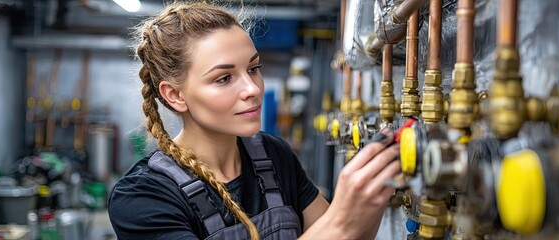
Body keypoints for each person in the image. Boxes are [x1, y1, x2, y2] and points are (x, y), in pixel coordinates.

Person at [107, 2, 401, 239]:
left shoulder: (274, 155)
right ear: (175, 96)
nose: (253, 89)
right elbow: (337, 231)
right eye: (224, 78)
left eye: (254, 68)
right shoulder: (143, 198)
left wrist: (371, 194)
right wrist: (339, 222)